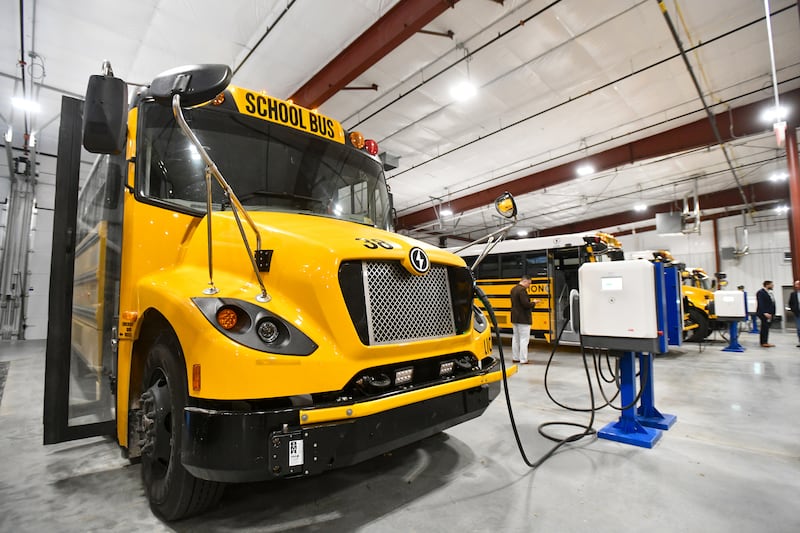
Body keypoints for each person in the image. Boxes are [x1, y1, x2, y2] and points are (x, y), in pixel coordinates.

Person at [510, 275, 538, 364]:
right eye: (529, 283)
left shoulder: (513, 289)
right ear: (525, 281)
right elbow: (525, 304)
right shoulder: (522, 290)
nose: (529, 286)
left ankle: (515, 358)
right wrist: (534, 302)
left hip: (515, 317)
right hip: (523, 318)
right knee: (524, 339)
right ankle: (523, 359)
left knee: (515, 338)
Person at [756, 280, 776, 347]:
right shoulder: (761, 292)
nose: (773, 286)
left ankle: (765, 341)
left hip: (769, 313)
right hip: (764, 313)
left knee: (766, 327)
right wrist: (765, 312)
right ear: (767, 285)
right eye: (771, 284)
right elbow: (761, 303)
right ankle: (763, 342)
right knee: (764, 327)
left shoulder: (769, 292)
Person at [787, 280, 800, 347]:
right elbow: (790, 303)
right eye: (795, 284)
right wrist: (793, 309)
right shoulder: (793, 294)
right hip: (798, 313)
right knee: (799, 328)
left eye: (797, 284)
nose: (796, 286)